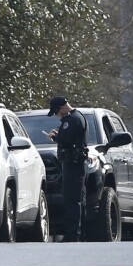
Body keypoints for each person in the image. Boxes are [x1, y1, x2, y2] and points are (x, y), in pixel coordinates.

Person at [45, 96, 87, 242]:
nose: (57, 115)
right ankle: (77, 234)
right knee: (76, 200)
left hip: (73, 164)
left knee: (71, 201)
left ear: (63, 107)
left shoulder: (72, 119)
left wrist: (54, 137)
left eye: (57, 112)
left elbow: (66, 140)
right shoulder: (77, 116)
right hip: (75, 163)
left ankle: (72, 235)